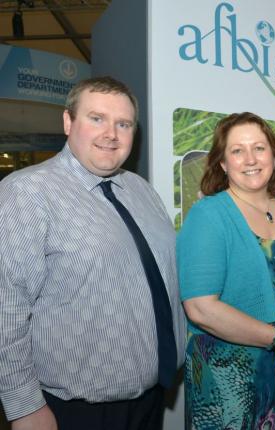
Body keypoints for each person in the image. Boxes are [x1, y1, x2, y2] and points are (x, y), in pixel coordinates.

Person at [0, 76, 185, 430]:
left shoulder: (141, 191)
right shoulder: (26, 193)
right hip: (75, 411)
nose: (111, 133)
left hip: (150, 399)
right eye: (96, 118)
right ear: (68, 122)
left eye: (123, 123)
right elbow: (6, 308)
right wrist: (24, 407)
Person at [177, 112, 275, 429]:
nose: (250, 159)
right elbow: (201, 308)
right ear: (223, 164)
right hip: (230, 380)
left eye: (259, 147)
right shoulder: (208, 215)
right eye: (237, 150)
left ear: (274, 156)